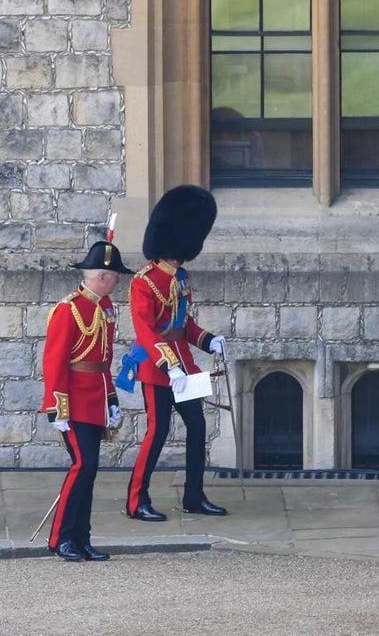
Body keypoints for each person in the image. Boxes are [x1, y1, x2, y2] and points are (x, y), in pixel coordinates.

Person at [125, 185, 228, 521]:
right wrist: (169, 366)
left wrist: (208, 340)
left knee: (197, 428)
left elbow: (184, 325)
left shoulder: (181, 277)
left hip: (184, 365)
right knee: (157, 433)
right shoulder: (143, 282)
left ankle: (193, 496)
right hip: (159, 370)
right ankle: (136, 500)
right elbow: (147, 331)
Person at [41, 241, 134, 561]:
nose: (118, 280)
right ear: (104, 276)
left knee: (89, 470)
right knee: (83, 465)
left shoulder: (105, 308)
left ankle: (81, 538)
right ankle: (61, 538)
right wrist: (58, 407)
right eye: (115, 275)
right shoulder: (69, 309)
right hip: (72, 402)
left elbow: (103, 362)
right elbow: (55, 362)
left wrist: (111, 400)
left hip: (95, 399)